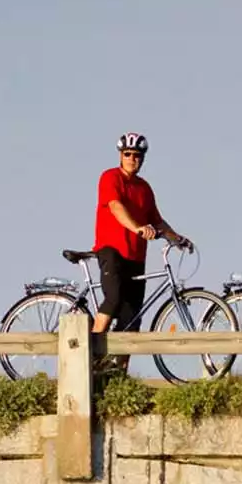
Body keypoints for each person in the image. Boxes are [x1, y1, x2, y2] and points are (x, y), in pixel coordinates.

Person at [93, 131, 192, 338]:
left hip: (136, 256)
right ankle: (89, 350)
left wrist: (177, 238)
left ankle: (117, 369)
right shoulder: (110, 177)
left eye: (137, 155)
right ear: (121, 155)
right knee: (114, 298)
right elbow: (115, 206)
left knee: (132, 317)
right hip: (112, 250)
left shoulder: (144, 188)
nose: (132, 159)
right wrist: (137, 227)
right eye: (128, 154)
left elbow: (157, 220)